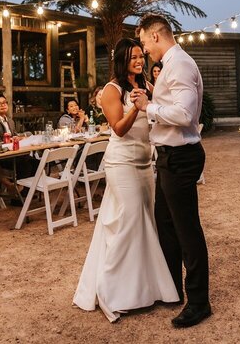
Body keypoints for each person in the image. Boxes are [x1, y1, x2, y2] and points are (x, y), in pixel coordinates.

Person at [74, 37, 179, 323]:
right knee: (130, 220)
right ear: (122, 59)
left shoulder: (144, 85)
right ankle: (112, 290)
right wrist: (136, 107)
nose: (139, 60)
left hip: (145, 163)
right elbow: (118, 129)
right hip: (121, 163)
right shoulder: (112, 90)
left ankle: (146, 288)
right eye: (133, 57)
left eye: (140, 56)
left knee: (145, 222)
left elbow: (162, 109)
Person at [133, 14, 211, 329]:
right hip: (169, 156)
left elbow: (183, 113)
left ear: (155, 36)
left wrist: (147, 107)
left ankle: (199, 302)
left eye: (142, 42)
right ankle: (172, 290)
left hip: (180, 156)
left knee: (186, 229)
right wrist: (152, 98)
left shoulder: (179, 64)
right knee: (166, 224)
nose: (143, 49)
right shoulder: (171, 64)